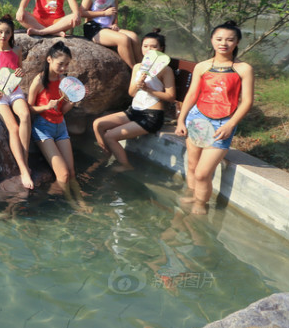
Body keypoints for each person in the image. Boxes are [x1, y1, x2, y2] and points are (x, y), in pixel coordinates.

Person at [176, 21, 254, 215]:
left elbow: (247, 101)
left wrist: (231, 124)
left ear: (237, 42)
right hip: (197, 118)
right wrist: (180, 120)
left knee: (203, 173)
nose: (223, 43)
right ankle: (193, 194)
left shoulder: (243, 68)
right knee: (193, 165)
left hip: (223, 123)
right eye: (219, 39)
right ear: (212, 40)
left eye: (230, 39)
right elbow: (192, 95)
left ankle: (201, 205)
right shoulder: (202, 66)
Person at [92, 29, 176, 170]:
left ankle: (125, 165)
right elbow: (131, 93)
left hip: (151, 115)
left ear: (161, 49)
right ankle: (106, 153)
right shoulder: (138, 67)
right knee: (98, 124)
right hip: (133, 111)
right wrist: (139, 84)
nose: (149, 49)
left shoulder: (166, 70)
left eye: (153, 47)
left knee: (110, 136)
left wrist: (148, 89)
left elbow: (171, 97)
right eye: (145, 46)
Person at [28, 41, 87, 210]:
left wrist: (76, 100)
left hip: (61, 127)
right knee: (64, 174)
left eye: (66, 64)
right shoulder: (39, 80)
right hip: (43, 129)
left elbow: (64, 109)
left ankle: (81, 201)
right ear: (49, 59)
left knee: (72, 172)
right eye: (60, 64)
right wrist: (46, 107)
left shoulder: (64, 82)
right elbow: (29, 108)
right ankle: (71, 203)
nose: (63, 68)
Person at [0, 16, 33, 189]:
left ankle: (24, 161)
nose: (3, 35)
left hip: (15, 90)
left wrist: (20, 72)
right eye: (1, 32)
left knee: (25, 115)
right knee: (14, 128)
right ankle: (23, 169)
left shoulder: (17, 50)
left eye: (7, 32)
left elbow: (20, 70)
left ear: (11, 34)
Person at [81, 0, 141, 65]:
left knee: (134, 37)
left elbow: (114, 13)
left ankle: (142, 66)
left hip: (109, 27)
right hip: (94, 28)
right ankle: (133, 70)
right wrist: (104, 13)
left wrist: (115, 23)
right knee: (123, 39)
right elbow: (82, 12)